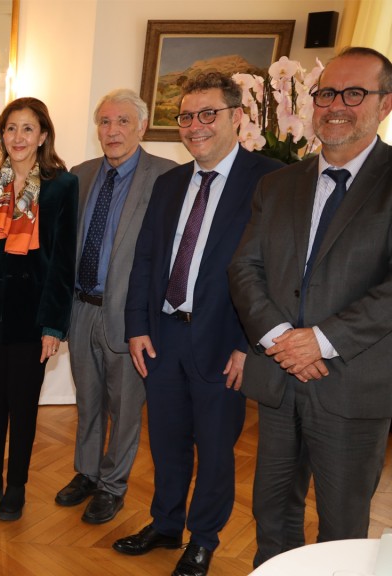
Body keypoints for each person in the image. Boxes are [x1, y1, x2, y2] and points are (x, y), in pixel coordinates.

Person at [229, 46, 392, 567]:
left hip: (352, 383)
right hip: (278, 381)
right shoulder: (278, 183)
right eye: (326, 93)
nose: (336, 105)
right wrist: (282, 339)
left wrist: (319, 341)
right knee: (271, 511)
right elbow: (244, 269)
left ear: (385, 104)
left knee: (343, 525)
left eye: (354, 93)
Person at [117, 72, 282, 576]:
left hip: (225, 342)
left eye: (207, 114)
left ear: (237, 117)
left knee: (214, 450)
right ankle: (166, 524)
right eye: (186, 116)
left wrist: (250, 346)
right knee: (165, 441)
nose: (195, 126)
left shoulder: (270, 180)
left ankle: (203, 539)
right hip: (163, 336)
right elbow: (145, 259)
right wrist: (137, 326)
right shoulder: (170, 183)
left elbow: (275, 270)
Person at [0, 97, 77, 521]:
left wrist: (54, 326)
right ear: (1, 135)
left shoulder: (62, 185)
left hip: (33, 316)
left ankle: (17, 485)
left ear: (43, 135)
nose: (18, 137)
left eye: (27, 129)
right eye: (10, 128)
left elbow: (63, 261)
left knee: (23, 407)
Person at [59, 89, 176, 524]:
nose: (112, 131)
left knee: (125, 408)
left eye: (123, 121)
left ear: (141, 126)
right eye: (105, 122)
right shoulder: (81, 174)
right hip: (81, 308)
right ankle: (86, 473)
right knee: (87, 401)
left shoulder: (167, 177)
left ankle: (112, 486)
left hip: (130, 317)